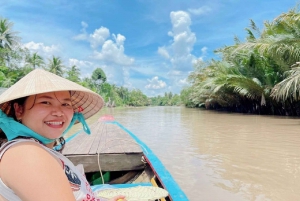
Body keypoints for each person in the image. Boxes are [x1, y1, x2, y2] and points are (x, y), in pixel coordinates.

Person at [0, 69, 126, 201]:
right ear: (19, 110)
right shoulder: (25, 153)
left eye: (65, 104)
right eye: (45, 102)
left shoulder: (40, 150)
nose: (59, 112)